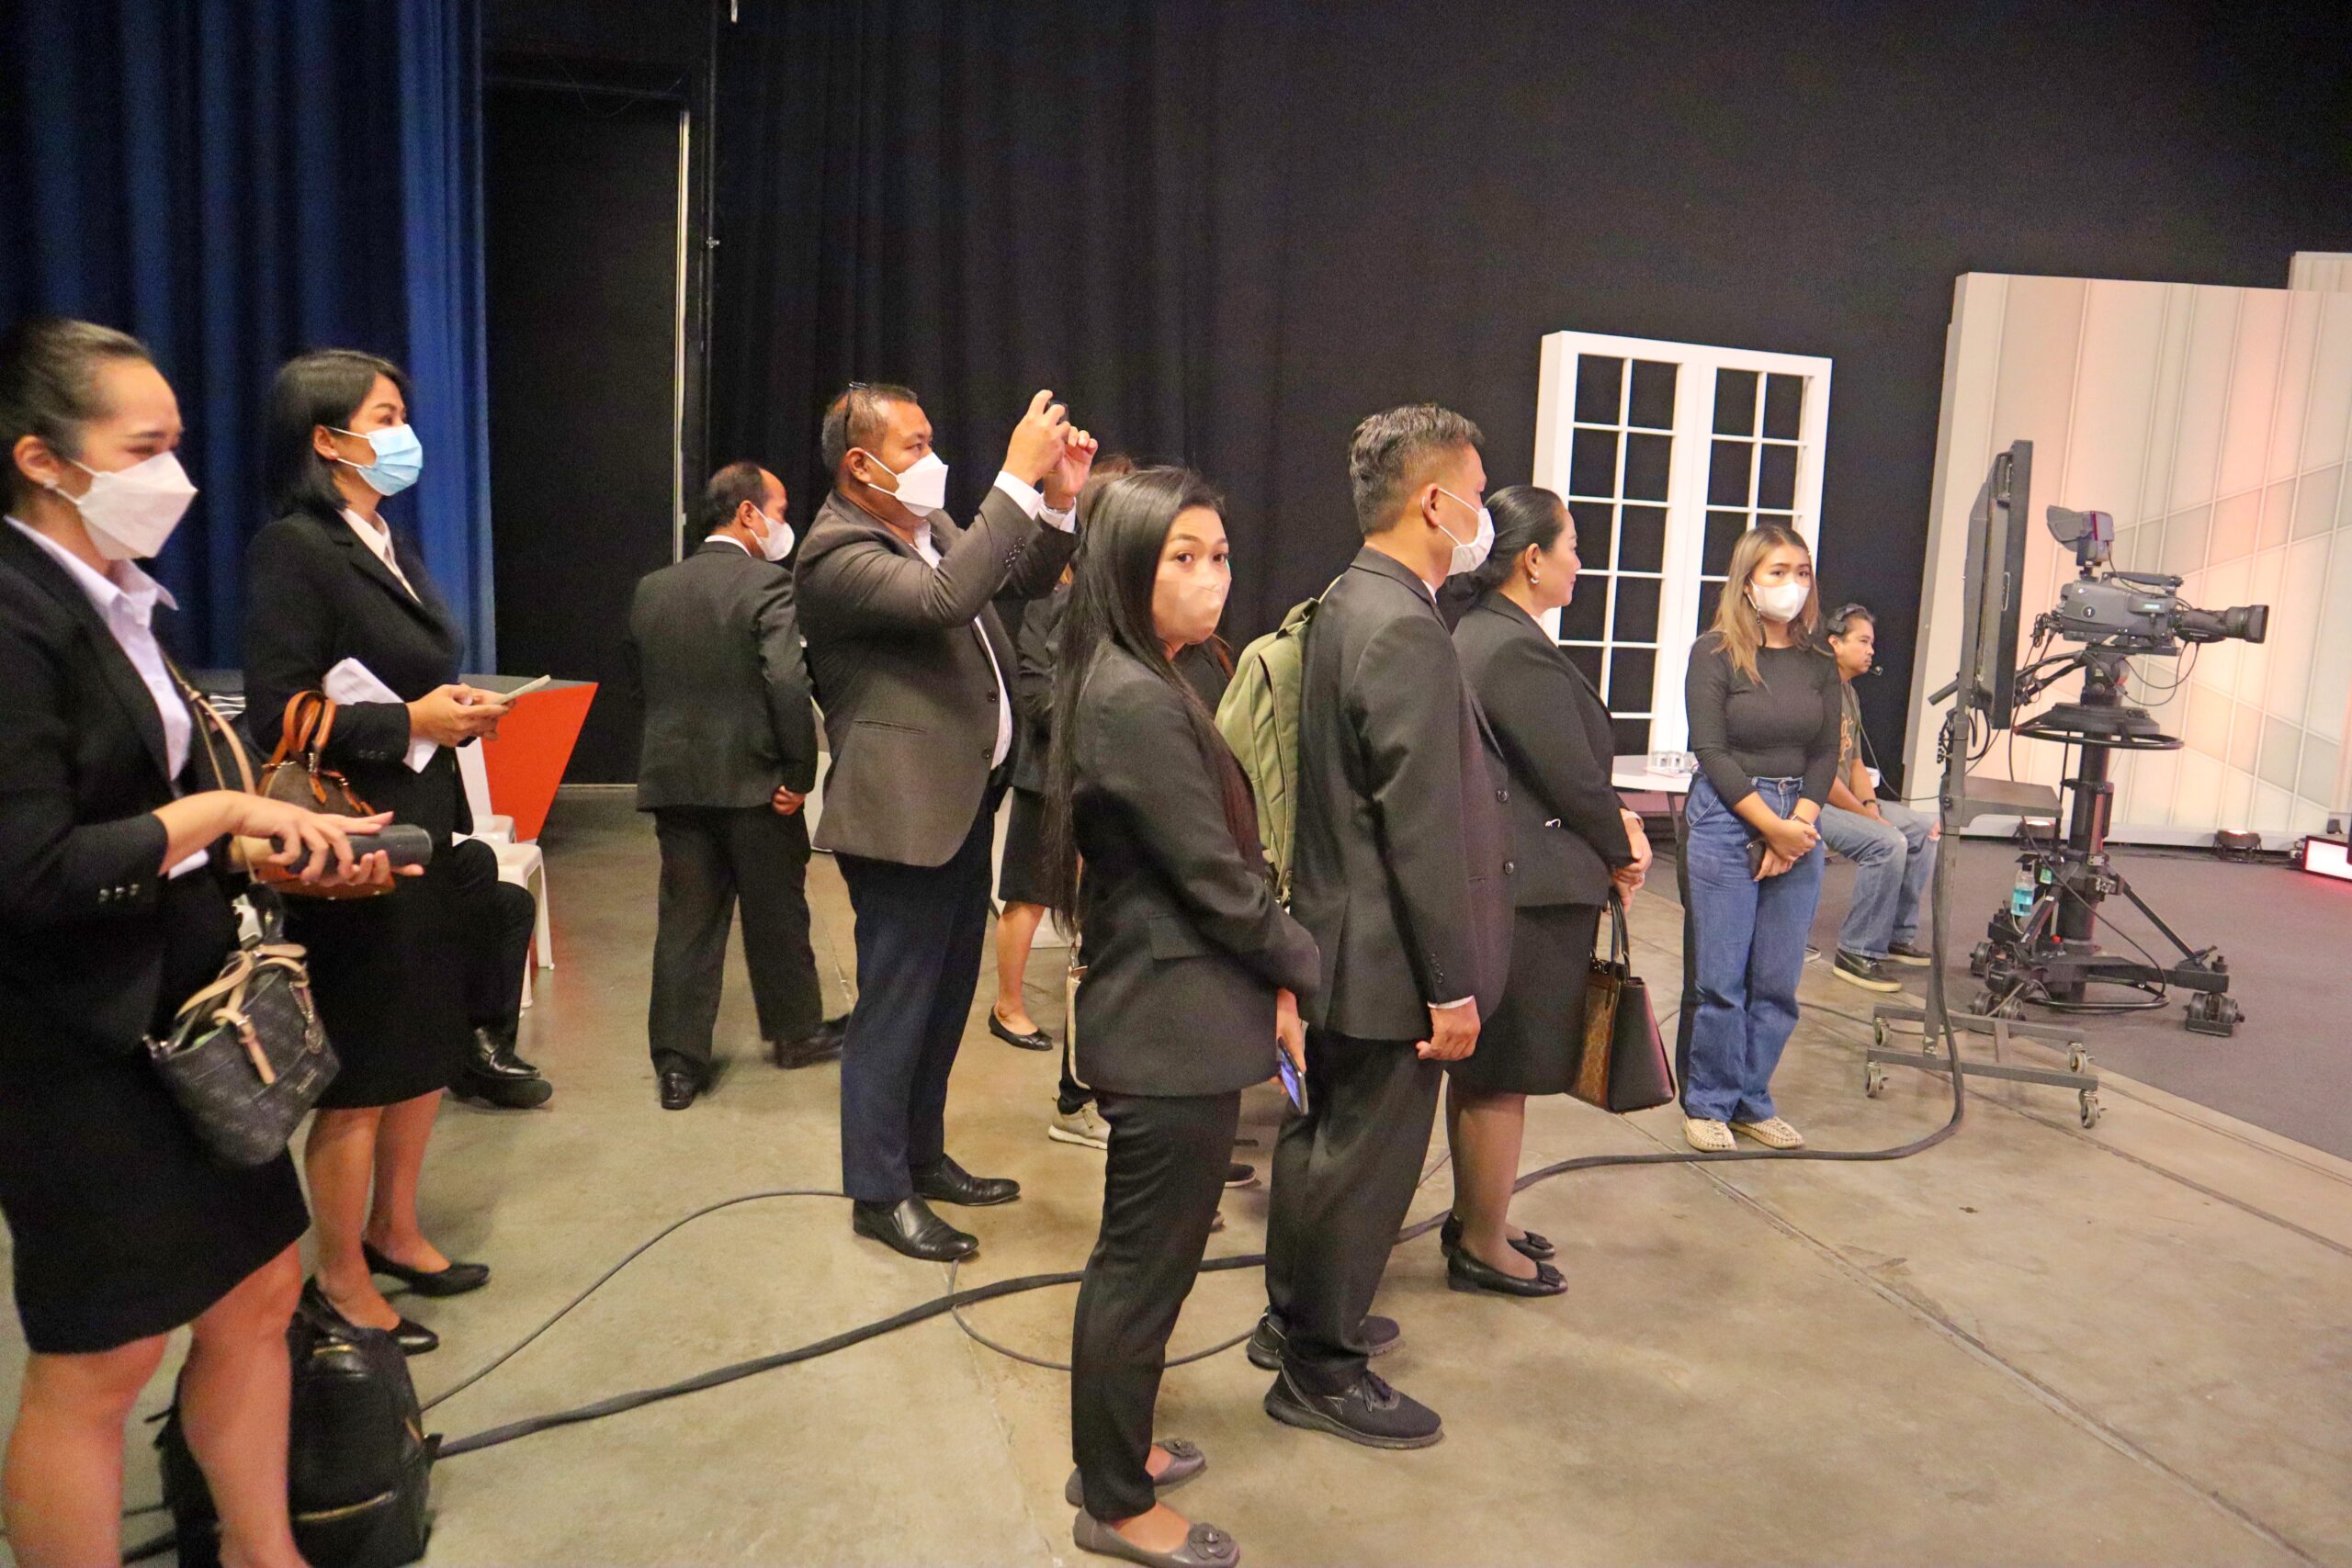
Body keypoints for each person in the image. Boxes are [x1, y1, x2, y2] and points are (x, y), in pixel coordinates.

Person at [0, 315, 394, 1568]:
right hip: (75, 1045)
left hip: (193, 1029)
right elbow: (32, 869)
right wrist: (223, 815)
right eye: (142, 447)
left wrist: (252, 845)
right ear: (42, 459)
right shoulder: (15, 618)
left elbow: (149, 810)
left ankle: (263, 1549)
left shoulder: (123, 602)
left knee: (260, 1293)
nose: (173, 473)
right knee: (102, 1360)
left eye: (176, 441)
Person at [1046, 468, 1317, 1568]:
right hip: (1167, 1024)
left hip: (1179, 1007)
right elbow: (1216, 879)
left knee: (1147, 1263)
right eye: (1185, 558)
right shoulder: (1132, 698)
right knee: (1141, 1266)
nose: (1215, 578)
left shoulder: (1145, 677)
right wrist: (1304, 967)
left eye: (1219, 555)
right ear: (1128, 567)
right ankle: (1114, 1502)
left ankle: (1119, 1451)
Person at [246, 347, 518, 1354]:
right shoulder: (295, 547)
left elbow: (408, 680)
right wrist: (410, 719)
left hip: (425, 824)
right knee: (362, 1075)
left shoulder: (385, 538)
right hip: (355, 844)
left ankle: (395, 1228)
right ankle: (342, 1277)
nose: (405, 434)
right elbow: (281, 712)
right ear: (327, 439)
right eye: (385, 416)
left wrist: (446, 714)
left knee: (423, 1051)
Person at [1254, 404, 1511, 1449]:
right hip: (1385, 956)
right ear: (1435, 503)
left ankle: (1294, 1320)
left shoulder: (1346, 599)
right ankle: (1321, 1368)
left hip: (1335, 932)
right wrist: (1451, 983)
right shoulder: (1403, 623)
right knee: (1362, 1166)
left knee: (1320, 1146)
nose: (1486, 515)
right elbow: (1421, 824)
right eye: (1477, 495)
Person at [797, 382, 1095, 1261]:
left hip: (962, 803)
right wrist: (1014, 478)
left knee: (944, 999)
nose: (932, 458)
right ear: (861, 465)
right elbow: (944, 601)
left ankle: (921, 1156)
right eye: (914, 444)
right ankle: (877, 1191)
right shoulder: (835, 550)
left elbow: (1021, 575)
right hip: (902, 817)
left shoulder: (928, 527)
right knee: (896, 1008)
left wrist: (1058, 500)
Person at [1444, 486, 1652, 1294]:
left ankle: (1480, 1214)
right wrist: (1623, 843)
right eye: (1571, 546)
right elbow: (1569, 775)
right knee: (1505, 1072)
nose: (1580, 562)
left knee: (1490, 1069)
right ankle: (1481, 1242)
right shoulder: (1510, 648)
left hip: (1514, 883)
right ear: (1532, 559)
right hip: (1529, 892)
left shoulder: (1487, 633)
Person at [628, 459, 843, 1110]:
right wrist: (799, 772)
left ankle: (678, 1064)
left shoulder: (652, 589)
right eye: (779, 512)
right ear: (748, 513)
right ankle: (796, 1032)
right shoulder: (768, 584)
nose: (784, 525)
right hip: (757, 781)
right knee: (776, 910)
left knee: (686, 920)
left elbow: (643, 681)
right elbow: (787, 683)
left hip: (676, 779)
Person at [1680, 521, 1842, 1153]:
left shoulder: (1819, 660)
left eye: (1801, 572)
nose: (1792, 584)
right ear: (1747, 582)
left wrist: (1797, 823)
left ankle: (1751, 1100)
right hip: (1728, 813)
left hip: (1798, 815)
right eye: (1778, 572)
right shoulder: (1714, 652)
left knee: (1777, 981)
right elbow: (1710, 750)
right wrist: (1771, 827)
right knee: (1721, 979)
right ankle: (1708, 1103)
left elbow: (1825, 751)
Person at [995, 457, 1136, 1088]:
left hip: (1095, 776)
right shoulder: (1052, 604)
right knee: (1029, 894)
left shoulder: (1116, 608)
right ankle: (1008, 1004)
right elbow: (1037, 696)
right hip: (1046, 775)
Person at [1816, 601, 1939, 990]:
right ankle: (1857, 950)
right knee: (1888, 842)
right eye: (1863, 641)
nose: (1872, 650)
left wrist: (1870, 805)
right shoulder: (1817, 692)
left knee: (1923, 830)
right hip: (1811, 802)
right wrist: (1867, 817)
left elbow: (1854, 763)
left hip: (1843, 800)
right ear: (1835, 643)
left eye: (1872, 643)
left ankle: (1896, 936)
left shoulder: (1849, 694)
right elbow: (1821, 776)